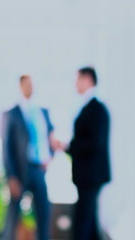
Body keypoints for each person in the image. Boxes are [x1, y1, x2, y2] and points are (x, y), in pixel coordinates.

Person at [1, 75, 54, 240]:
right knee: (13, 213)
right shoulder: (11, 113)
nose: (30, 87)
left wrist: (49, 157)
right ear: (20, 86)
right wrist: (11, 176)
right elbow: (7, 148)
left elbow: (50, 138)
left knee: (43, 211)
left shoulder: (42, 111)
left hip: (39, 168)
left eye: (32, 84)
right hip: (20, 170)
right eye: (26, 84)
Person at [63, 67, 111, 240]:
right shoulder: (89, 107)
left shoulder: (96, 108)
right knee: (89, 220)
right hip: (88, 175)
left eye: (78, 79)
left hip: (91, 175)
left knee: (83, 219)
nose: (75, 84)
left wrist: (69, 146)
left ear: (88, 79)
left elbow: (94, 142)